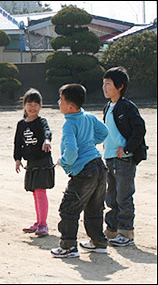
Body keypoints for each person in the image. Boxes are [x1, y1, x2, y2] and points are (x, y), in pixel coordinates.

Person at [51, 84, 109, 258]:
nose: (58, 103)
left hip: (84, 171)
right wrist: (90, 143)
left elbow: (71, 150)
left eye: (61, 100)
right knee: (95, 207)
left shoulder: (69, 124)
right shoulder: (88, 117)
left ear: (70, 106)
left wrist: (64, 161)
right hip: (99, 165)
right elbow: (104, 132)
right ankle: (98, 242)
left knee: (69, 208)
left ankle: (68, 246)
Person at [102, 66, 147, 247]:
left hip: (124, 160)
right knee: (111, 197)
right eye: (103, 84)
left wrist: (127, 149)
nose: (104, 88)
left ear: (119, 86)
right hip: (110, 158)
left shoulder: (127, 107)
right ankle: (112, 231)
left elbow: (140, 129)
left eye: (108, 84)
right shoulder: (107, 106)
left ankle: (126, 233)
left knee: (124, 197)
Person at [14, 88, 55, 237]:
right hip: (31, 162)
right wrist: (17, 159)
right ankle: (38, 222)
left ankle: (43, 224)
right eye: (30, 104)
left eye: (36, 104)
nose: (33, 107)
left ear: (40, 106)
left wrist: (47, 140)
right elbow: (17, 143)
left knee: (40, 191)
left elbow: (47, 132)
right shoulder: (21, 124)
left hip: (43, 161)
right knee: (35, 193)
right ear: (24, 105)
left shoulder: (41, 121)